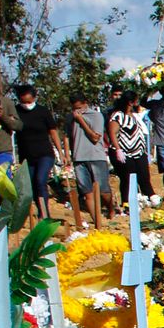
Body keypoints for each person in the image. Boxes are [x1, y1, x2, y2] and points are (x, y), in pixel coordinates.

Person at [10, 84, 65, 226]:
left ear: (34, 98)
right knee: (32, 185)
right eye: (23, 102)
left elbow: (53, 132)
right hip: (26, 156)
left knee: (41, 180)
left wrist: (61, 152)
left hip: (44, 154)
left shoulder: (43, 112)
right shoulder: (16, 112)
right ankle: (38, 209)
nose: (26, 105)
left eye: (29, 102)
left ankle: (44, 213)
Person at [65, 89, 111, 231]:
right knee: (87, 192)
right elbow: (67, 136)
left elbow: (95, 137)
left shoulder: (96, 116)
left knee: (103, 190)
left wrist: (81, 120)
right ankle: (97, 222)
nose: (77, 111)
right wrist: (67, 154)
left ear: (85, 104)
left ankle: (111, 208)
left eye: (79, 108)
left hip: (96, 156)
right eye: (74, 109)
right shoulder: (70, 118)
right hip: (79, 157)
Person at [107, 91, 155, 206]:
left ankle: (149, 196)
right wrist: (118, 149)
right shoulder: (118, 115)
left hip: (138, 152)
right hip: (124, 152)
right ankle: (127, 201)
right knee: (128, 177)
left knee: (144, 174)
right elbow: (112, 133)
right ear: (130, 102)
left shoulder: (134, 115)